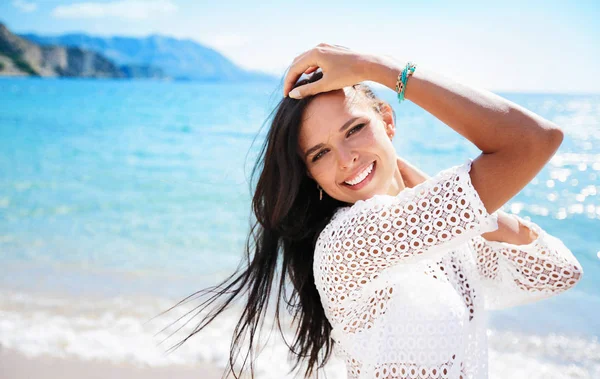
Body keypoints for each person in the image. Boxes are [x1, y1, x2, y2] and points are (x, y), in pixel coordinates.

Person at [163, 44, 584, 379]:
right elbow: (534, 140)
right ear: (310, 176)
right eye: (321, 153)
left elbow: (557, 269)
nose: (346, 158)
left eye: (355, 129)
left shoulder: (431, 235)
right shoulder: (351, 241)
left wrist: (422, 185)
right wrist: (379, 66)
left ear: (388, 120)